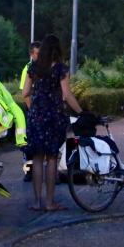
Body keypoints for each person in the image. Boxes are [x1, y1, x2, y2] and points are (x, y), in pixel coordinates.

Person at [22, 34, 83, 212]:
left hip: (37, 113)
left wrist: (39, 88)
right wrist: (81, 112)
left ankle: (37, 202)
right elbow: (68, 94)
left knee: (37, 158)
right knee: (52, 158)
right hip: (54, 114)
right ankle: (50, 202)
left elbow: (25, 92)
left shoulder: (33, 67)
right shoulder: (61, 69)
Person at [20, 41, 41, 182]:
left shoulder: (47, 67)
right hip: (34, 111)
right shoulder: (28, 68)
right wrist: (32, 111)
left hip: (44, 111)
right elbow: (26, 93)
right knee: (29, 143)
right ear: (31, 54)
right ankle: (28, 171)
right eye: (38, 54)